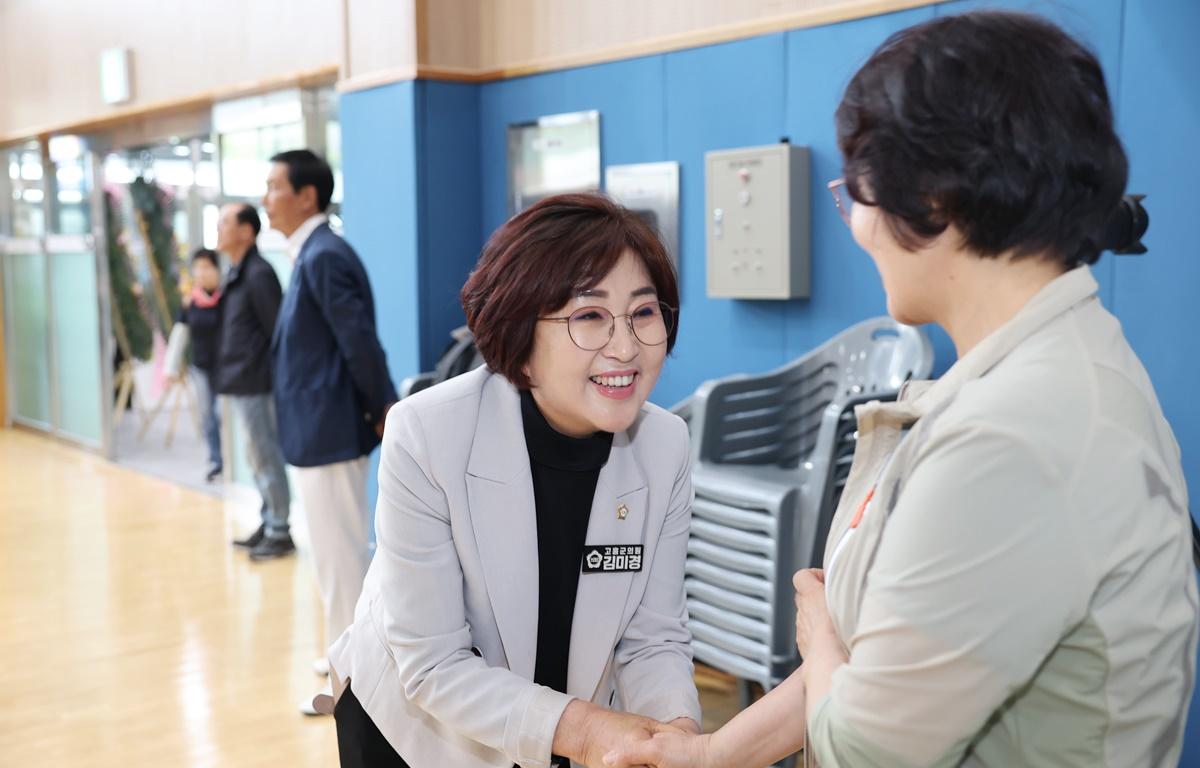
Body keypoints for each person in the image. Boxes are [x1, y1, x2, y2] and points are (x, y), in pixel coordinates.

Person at [605, 10, 1196, 768]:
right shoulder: (1039, 372)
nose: (855, 226)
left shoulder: (1014, 438)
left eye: (858, 192)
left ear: (938, 200)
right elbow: (885, 667)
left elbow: (862, 742)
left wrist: (818, 629)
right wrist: (708, 755)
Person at [323, 193, 702, 768]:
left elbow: (654, 638)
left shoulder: (665, 445)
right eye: (590, 316)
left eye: (644, 312)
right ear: (520, 339)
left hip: (564, 723)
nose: (626, 347)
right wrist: (588, 731)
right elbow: (432, 664)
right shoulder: (426, 433)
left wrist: (671, 734)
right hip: (414, 732)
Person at [264, 149, 398, 714]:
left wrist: (385, 408)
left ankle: (352, 687)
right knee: (329, 552)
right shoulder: (312, 254)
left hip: (330, 430)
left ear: (307, 196)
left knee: (341, 554)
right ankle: (340, 650)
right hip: (316, 429)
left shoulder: (323, 257)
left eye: (274, 187)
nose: (265, 198)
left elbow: (358, 343)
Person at [214, 203, 292, 560]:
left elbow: (277, 331)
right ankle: (268, 518)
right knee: (256, 455)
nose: (218, 228)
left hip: (258, 381)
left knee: (265, 454)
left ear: (246, 231)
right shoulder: (237, 272)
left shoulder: (258, 274)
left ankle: (279, 528)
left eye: (225, 222)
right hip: (243, 380)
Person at [178, 248, 223, 482]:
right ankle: (216, 460)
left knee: (221, 412)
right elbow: (180, 333)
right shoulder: (190, 302)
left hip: (224, 367)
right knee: (208, 415)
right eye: (199, 267)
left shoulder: (225, 298)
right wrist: (169, 368)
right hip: (200, 367)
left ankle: (231, 460)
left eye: (207, 266)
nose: (202, 272)